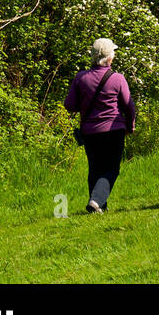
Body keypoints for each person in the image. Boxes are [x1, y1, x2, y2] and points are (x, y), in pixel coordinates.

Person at [63, 37, 136, 214]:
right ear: (110, 57)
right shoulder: (117, 78)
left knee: (95, 167)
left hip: (90, 132)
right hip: (113, 130)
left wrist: (84, 102)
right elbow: (128, 105)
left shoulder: (81, 78)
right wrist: (130, 126)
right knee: (111, 168)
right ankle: (96, 201)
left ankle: (98, 207)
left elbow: (69, 105)